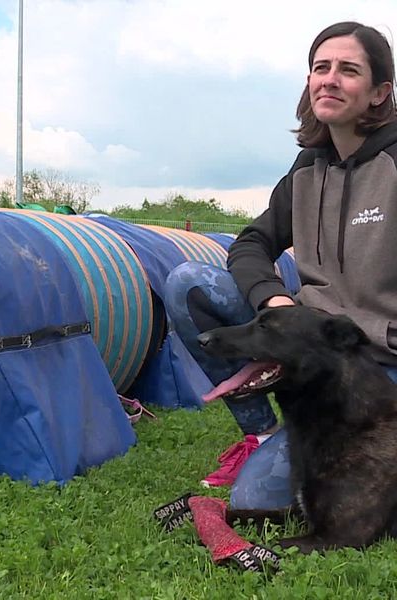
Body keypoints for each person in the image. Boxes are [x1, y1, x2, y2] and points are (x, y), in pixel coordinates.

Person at [164, 21, 397, 510]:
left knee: (259, 505)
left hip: (380, 366)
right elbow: (251, 242)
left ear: (379, 93)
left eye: (348, 70)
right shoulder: (306, 169)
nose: (328, 79)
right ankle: (262, 434)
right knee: (190, 284)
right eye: (320, 68)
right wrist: (275, 301)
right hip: (311, 350)